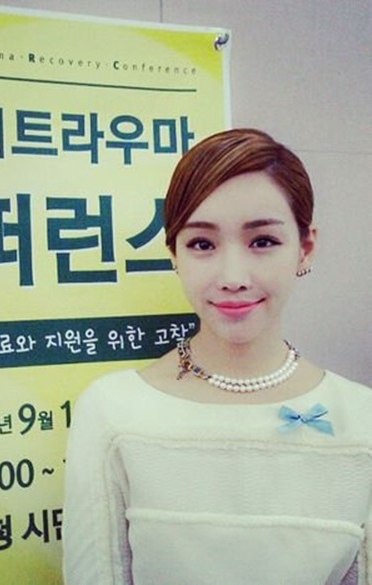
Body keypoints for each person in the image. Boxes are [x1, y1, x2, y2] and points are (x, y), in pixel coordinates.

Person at [62, 128, 372, 585]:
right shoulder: (112, 413)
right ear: (174, 254)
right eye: (202, 244)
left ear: (305, 248)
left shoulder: (361, 421)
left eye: (262, 241)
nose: (232, 277)